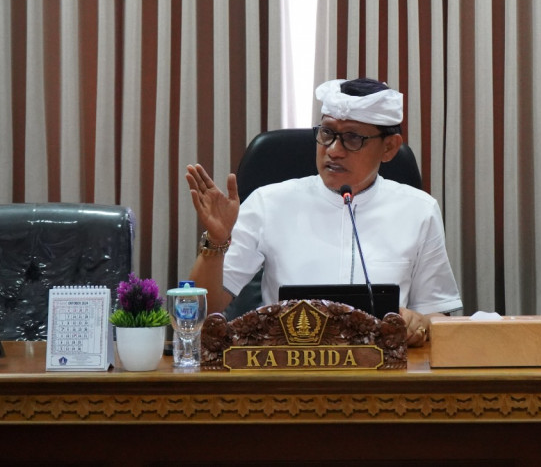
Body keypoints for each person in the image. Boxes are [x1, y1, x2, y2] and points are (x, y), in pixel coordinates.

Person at [186, 77, 462, 348]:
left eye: (353, 138)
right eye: (327, 134)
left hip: (384, 368)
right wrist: (216, 242)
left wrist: (421, 323)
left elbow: (437, 314)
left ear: (389, 147)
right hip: (287, 365)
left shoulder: (419, 209)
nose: (334, 150)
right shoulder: (268, 203)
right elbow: (199, 310)